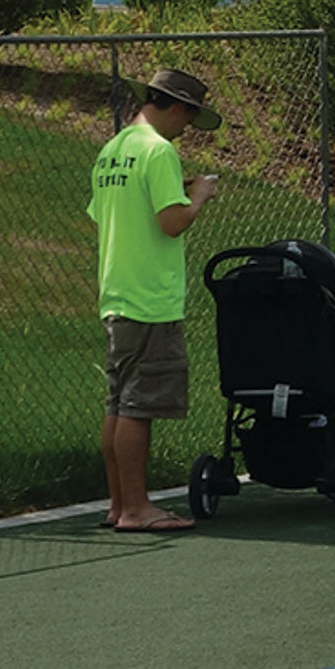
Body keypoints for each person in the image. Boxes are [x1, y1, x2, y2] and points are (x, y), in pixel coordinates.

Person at [88, 65, 222, 534]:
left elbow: (110, 214)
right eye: (189, 118)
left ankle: (118, 503)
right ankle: (137, 509)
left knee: (118, 401)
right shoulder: (159, 152)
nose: (188, 129)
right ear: (179, 107)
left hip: (117, 290)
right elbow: (172, 223)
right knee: (138, 406)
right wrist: (199, 195)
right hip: (149, 296)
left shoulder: (114, 149)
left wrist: (173, 197)